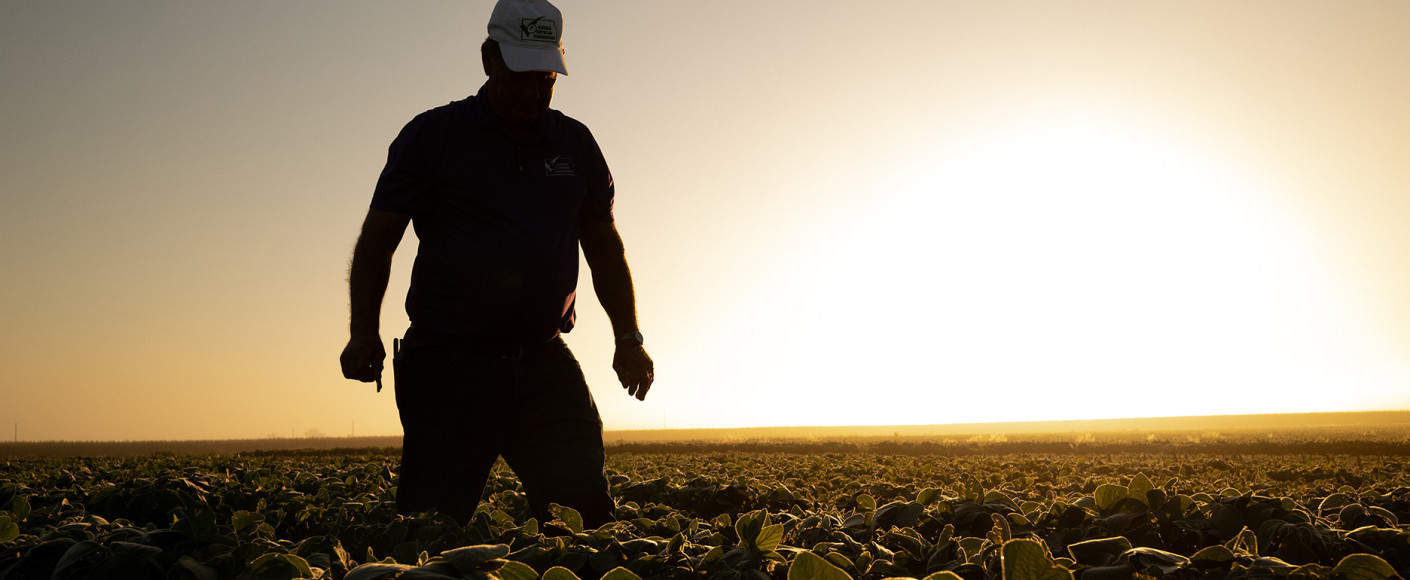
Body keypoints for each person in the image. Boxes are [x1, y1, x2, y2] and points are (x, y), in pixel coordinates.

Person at [338, 0, 653, 529]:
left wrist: (628, 337)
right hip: (449, 364)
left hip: (543, 360)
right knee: (431, 527)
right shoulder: (433, 136)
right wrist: (362, 332)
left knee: (584, 519)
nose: (533, 92)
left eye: (546, 78)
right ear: (489, 59)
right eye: (520, 75)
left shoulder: (575, 144)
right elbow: (377, 241)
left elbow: (604, 249)